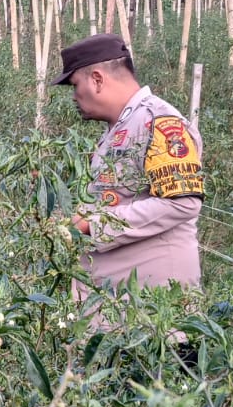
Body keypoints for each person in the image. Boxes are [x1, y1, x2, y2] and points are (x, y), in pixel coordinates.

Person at [54, 33, 204, 362]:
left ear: (96, 79)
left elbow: (182, 202)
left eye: (74, 85)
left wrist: (92, 224)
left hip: (157, 321)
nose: (74, 97)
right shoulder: (120, 127)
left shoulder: (160, 122)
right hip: (118, 315)